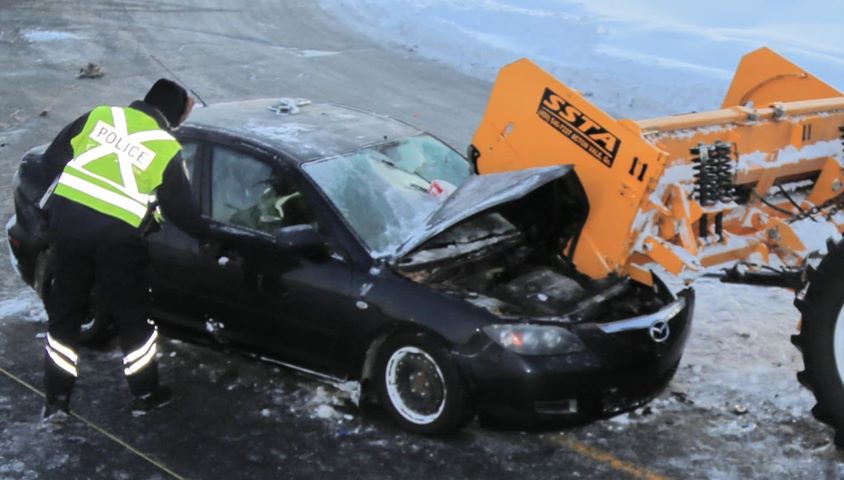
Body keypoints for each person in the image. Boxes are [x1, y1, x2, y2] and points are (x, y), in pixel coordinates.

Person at [38, 79, 208, 420]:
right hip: (118, 242)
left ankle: (57, 400)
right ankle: (146, 394)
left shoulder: (100, 117)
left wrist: (68, 205)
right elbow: (183, 213)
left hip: (69, 230)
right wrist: (211, 235)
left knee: (65, 316)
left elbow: (50, 162)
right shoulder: (165, 146)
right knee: (133, 319)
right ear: (174, 113)